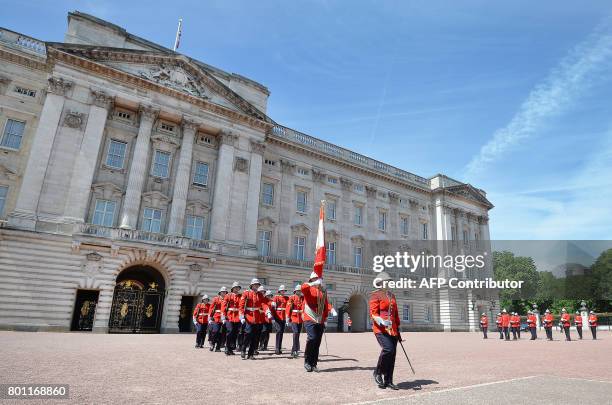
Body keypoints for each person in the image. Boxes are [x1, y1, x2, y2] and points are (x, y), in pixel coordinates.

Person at [370, 272, 401, 390]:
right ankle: (378, 372)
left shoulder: (392, 295)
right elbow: (373, 313)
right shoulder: (375, 295)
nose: (388, 283)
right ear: (381, 282)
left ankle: (388, 380)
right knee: (388, 349)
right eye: (387, 281)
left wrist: (398, 330)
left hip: (392, 329)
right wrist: (382, 322)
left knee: (392, 355)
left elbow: (395, 314)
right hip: (380, 328)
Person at [301, 272, 336, 372]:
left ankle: (314, 363)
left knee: (317, 341)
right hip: (310, 316)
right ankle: (307, 361)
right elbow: (303, 288)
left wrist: (330, 311)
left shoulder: (322, 291)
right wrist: (313, 283)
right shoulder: (308, 288)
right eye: (315, 278)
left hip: (320, 318)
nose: (317, 280)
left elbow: (325, 304)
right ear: (311, 279)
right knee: (312, 338)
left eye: (318, 278)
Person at [239, 278, 266, 359]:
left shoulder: (260, 294)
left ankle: (250, 354)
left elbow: (263, 304)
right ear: (252, 285)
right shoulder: (246, 293)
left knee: (255, 336)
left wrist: (267, 311)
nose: (257, 286)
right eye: (255, 284)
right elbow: (241, 305)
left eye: (258, 284)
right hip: (248, 316)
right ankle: (243, 349)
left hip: (257, 317)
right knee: (248, 333)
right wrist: (241, 316)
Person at [221, 281, 242, 356]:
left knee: (236, 333)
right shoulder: (228, 296)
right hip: (229, 316)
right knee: (230, 331)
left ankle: (231, 348)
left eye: (238, 288)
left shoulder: (240, 296)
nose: (237, 289)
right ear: (232, 288)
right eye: (235, 287)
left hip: (237, 317)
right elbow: (223, 306)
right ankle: (227, 347)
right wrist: (223, 316)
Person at [285, 284, 304, 358]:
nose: (299, 292)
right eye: (298, 290)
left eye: (300, 290)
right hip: (294, 317)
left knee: (298, 334)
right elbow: (288, 308)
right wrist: (287, 318)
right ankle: (295, 350)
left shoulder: (303, 298)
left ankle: (294, 350)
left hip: (300, 318)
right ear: (295, 291)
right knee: (295, 333)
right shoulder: (292, 297)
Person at [208, 286, 228, 351]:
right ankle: (212, 344)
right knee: (215, 331)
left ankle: (218, 347)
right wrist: (210, 317)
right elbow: (211, 308)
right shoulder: (216, 299)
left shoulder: (227, 299)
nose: (224, 293)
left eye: (225, 292)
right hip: (216, 317)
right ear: (220, 292)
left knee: (221, 333)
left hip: (224, 318)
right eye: (222, 292)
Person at [271, 285, 288, 355]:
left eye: (284, 290)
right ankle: (277, 348)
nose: (283, 292)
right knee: (279, 331)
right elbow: (273, 307)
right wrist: (272, 317)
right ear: (279, 291)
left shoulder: (287, 298)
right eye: (282, 290)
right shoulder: (276, 297)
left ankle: (279, 348)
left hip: (283, 316)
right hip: (277, 316)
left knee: (281, 332)